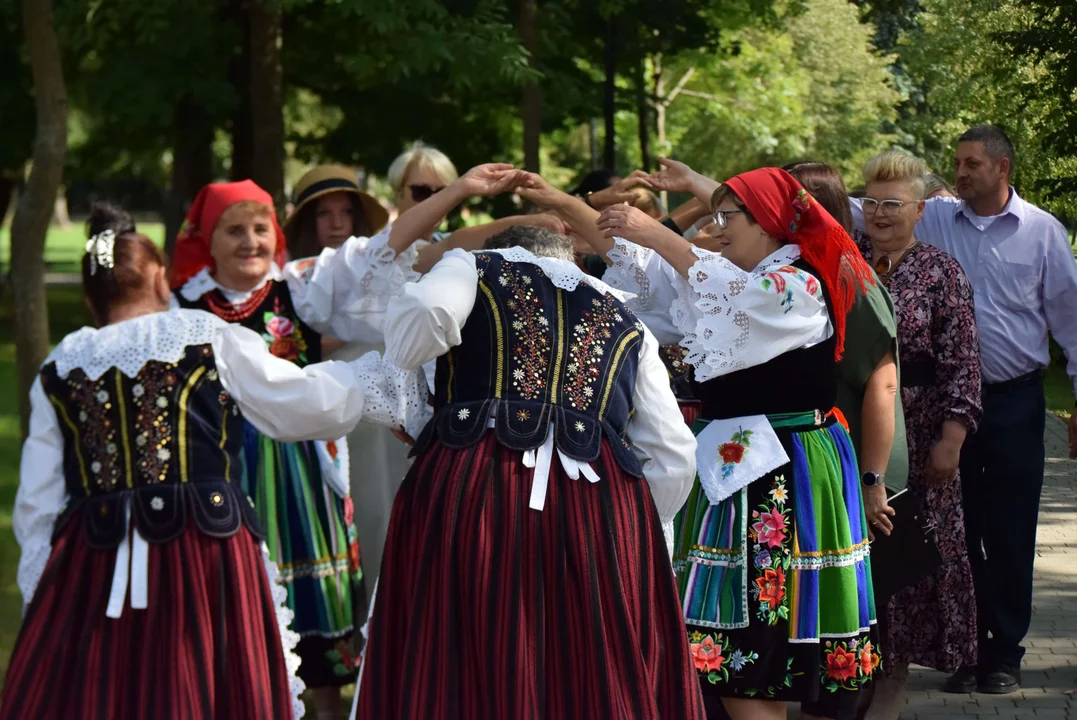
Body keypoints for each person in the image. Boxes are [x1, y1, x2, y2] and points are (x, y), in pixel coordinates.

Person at [2, 204, 425, 720]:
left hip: (95, 555)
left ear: (93, 296)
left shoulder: (61, 364)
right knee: (209, 686)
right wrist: (389, 385)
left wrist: (41, 595)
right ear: (161, 279)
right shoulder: (201, 334)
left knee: (108, 691)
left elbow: (37, 502)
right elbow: (297, 400)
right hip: (203, 547)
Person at [354, 182, 704, 717]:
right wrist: (634, 527)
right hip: (596, 507)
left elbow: (424, 316)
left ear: (507, 250)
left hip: (475, 490)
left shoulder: (471, 265)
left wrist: (415, 368)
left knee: (463, 662)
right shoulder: (624, 316)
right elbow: (673, 452)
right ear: (571, 259)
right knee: (581, 671)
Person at [596, 168, 881, 720]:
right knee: (734, 654)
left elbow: (731, 293)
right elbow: (668, 286)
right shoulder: (736, 281)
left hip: (783, 474)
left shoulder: (797, 284)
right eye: (716, 216)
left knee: (750, 650)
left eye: (730, 217)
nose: (719, 228)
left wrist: (657, 233)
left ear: (770, 224)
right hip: (743, 469)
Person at [170, 180, 428, 718]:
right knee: (234, 588)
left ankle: (328, 704)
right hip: (221, 467)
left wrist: (461, 193)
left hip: (302, 469)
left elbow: (380, 247)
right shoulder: (183, 306)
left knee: (318, 590)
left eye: (260, 228)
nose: (250, 241)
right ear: (207, 240)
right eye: (234, 230)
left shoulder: (297, 289)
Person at [852, 125, 1077, 694]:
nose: (960, 171)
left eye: (972, 162)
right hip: (912, 415)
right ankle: (966, 646)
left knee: (1007, 529)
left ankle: (1003, 652)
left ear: (1002, 168)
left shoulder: (1042, 232)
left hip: (1012, 400)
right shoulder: (933, 219)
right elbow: (835, 203)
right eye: (957, 162)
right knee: (955, 529)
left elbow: (1072, 324)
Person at [857, 150, 981, 719]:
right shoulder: (844, 262)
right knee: (855, 554)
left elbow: (963, 362)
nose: (880, 214)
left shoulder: (941, 271)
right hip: (849, 430)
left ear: (920, 209)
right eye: (872, 202)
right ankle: (850, 675)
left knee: (907, 563)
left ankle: (890, 685)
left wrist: (951, 437)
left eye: (893, 204)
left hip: (922, 428)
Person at [781, 161, 907, 497]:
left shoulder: (847, 273)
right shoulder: (784, 269)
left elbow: (883, 382)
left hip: (840, 458)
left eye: (781, 200)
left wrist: (872, 481)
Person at [284, 164, 390, 260]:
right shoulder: (282, 277)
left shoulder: (382, 275)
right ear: (305, 221)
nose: (337, 224)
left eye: (347, 212)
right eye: (323, 213)